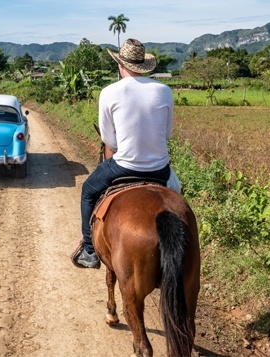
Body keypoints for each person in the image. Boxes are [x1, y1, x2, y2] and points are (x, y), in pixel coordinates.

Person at [71, 38, 176, 269]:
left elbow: (108, 139)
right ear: (143, 66)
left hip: (123, 166)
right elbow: (167, 134)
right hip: (160, 168)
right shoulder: (164, 90)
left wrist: (126, 145)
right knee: (178, 197)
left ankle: (89, 251)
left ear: (120, 65)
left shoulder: (109, 92)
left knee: (88, 191)